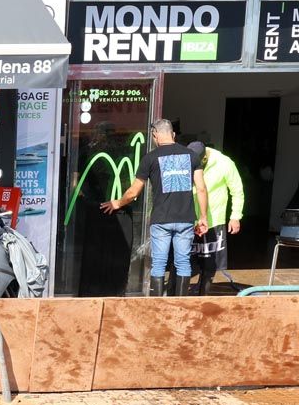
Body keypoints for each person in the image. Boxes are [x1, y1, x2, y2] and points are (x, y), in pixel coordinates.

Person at [101, 119, 209, 296]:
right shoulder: (192, 156)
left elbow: (134, 192)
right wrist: (203, 217)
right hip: (185, 219)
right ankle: (181, 304)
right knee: (183, 263)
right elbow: (202, 188)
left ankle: (156, 305)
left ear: (155, 135)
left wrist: (117, 203)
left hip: (161, 220)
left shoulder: (150, 158)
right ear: (173, 134)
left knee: (159, 263)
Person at [187, 141, 244, 295]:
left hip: (213, 220)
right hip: (189, 220)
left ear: (204, 159)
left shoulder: (224, 163)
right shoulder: (186, 159)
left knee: (209, 263)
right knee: (187, 261)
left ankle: (203, 295)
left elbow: (237, 190)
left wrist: (235, 216)